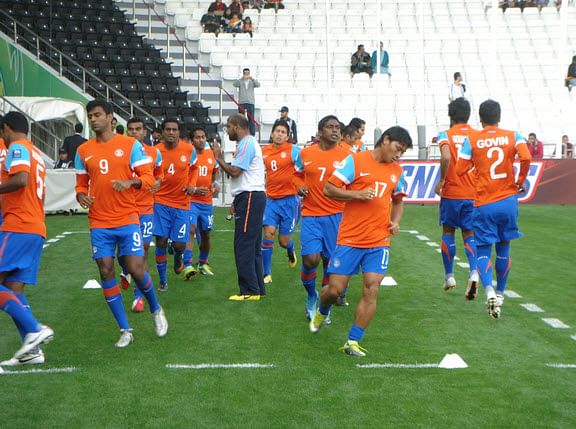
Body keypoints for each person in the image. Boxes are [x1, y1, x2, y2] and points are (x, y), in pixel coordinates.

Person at [309, 126, 412, 357]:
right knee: (335, 290)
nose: (399, 155)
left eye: (403, 152)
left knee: (371, 287)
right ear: (385, 140)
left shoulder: (397, 171)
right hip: (350, 238)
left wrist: (395, 221)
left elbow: (398, 201)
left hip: (379, 240)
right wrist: (357, 194)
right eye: (398, 148)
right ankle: (322, 309)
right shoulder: (355, 162)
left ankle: (353, 341)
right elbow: (329, 188)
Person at [75, 100, 168, 347]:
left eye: (97, 115)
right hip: (99, 220)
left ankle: (156, 309)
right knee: (105, 269)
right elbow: (81, 183)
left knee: (136, 268)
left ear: (110, 118)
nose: (93, 119)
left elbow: (148, 178)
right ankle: (125, 329)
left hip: (127, 217)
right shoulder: (83, 150)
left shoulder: (130, 145)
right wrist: (80, 195)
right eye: (90, 116)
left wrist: (131, 182)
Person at [456, 99, 532, 319]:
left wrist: (477, 168)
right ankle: (500, 294)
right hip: (508, 199)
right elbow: (526, 156)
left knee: (482, 249)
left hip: (484, 202)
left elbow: (460, 169)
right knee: (504, 247)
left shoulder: (473, 139)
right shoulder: (513, 135)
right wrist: (521, 179)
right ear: (499, 117)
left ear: (480, 119)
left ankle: (488, 289)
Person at [0, 111, 54, 366]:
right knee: (14, 287)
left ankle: (34, 328)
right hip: (34, 226)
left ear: (7, 128)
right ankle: (32, 351)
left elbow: (20, 180)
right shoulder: (35, 152)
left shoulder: (18, 148)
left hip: (17, 224)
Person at [293, 115, 350, 320]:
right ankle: (311, 295)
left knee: (329, 261)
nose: (335, 131)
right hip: (310, 214)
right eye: (330, 127)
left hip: (337, 216)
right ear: (320, 132)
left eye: (337, 127)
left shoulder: (347, 155)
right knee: (310, 259)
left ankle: (325, 305)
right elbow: (297, 174)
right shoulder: (306, 153)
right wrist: (298, 185)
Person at [212, 114, 266, 301]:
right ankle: (257, 288)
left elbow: (235, 172)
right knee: (252, 246)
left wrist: (218, 158)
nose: (227, 130)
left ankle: (249, 290)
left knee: (243, 244)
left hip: (250, 196)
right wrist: (236, 201)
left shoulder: (246, 144)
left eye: (228, 126)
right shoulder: (247, 143)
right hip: (250, 196)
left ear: (237, 126)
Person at [433, 98, 479, 298]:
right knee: (469, 234)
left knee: (448, 232)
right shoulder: (478, 136)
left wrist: (442, 179)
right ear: (469, 114)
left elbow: (445, 157)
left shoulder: (446, 134)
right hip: (474, 193)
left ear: (450, 115)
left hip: (453, 192)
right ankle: (474, 271)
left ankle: (449, 275)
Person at [152, 118, 198, 292]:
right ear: (162, 132)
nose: (171, 132)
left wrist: (192, 184)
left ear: (179, 132)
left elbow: (194, 168)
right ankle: (163, 280)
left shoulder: (189, 150)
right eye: (168, 129)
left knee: (179, 244)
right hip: (160, 202)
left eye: (174, 129)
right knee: (161, 240)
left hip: (181, 202)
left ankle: (178, 255)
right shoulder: (156, 151)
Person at [124, 117, 163, 313]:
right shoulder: (121, 151)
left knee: (144, 248)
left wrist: (157, 182)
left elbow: (159, 173)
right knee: (125, 252)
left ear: (144, 132)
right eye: (130, 129)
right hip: (125, 208)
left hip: (146, 207)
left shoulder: (154, 153)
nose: (134, 133)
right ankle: (125, 271)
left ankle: (138, 295)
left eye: (138, 129)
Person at [261, 121, 300, 284]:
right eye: (277, 131)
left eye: (283, 132)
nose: (279, 134)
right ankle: (266, 273)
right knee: (268, 233)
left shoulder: (294, 151)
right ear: (272, 134)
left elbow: (303, 170)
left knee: (283, 242)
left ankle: (290, 249)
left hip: (290, 202)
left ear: (287, 136)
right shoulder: (264, 151)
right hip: (270, 201)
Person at [182, 127, 220, 279]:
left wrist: (215, 183)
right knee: (191, 229)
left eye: (203, 137)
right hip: (191, 200)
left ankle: (203, 262)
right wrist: (194, 189)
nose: (201, 139)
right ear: (192, 140)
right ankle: (187, 264)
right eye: (197, 137)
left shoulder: (211, 154)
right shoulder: (187, 156)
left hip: (206, 202)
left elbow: (215, 171)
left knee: (205, 234)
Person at [233, 68, 260, 136]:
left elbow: (258, 85)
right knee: (241, 119)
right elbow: (234, 84)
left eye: (248, 73)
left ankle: (252, 135)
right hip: (242, 102)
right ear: (243, 73)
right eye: (245, 73)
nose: (246, 75)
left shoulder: (252, 81)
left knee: (251, 119)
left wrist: (252, 78)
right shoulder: (240, 81)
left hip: (250, 103)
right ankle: (241, 133)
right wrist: (242, 78)